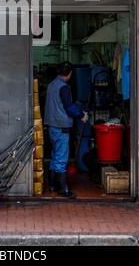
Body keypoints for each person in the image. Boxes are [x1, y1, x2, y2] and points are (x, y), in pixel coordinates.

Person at [44, 62, 89, 198]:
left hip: (51, 125)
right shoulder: (64, 87)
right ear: (69, 73)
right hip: (61, 126)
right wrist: (82, 115)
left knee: (55, 154)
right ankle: (63, 189)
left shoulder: (51, 85)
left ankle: (52, 185)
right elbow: (69, 107)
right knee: (62, 158)